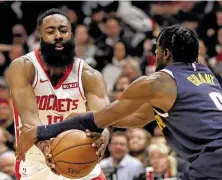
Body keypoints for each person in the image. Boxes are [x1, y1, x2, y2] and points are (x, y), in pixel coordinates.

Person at [16, 25, 222, 179]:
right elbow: (141, 117)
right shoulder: (206, 75)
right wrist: (109, 123)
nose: (155, 54)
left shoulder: (159, 82)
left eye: (157, 49)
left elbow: (98, 119)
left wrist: (42, 132)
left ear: (166, 53)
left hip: (215, 158)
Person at [6, 8, 111, 180]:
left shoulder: (88, 75)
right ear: (40, 35)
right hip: (36, 159)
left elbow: (103, 117)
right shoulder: (24, 67)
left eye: (63, 30)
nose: (58, 35)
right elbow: (29, 118)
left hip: (78, 153)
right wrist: (48, 147)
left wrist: (104, 134)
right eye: (50, 31)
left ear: (71, 33)